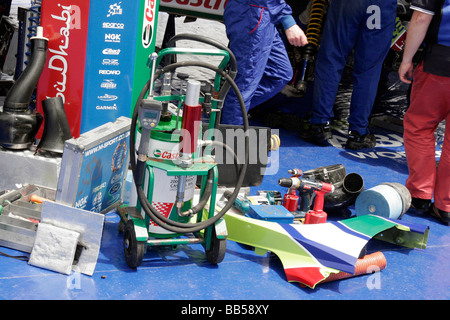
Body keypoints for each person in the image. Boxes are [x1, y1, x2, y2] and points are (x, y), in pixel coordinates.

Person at [299, 0, 397, 150]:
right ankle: (358, 133)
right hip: (382, 6)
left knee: (331, 60)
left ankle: (319, 125)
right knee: (369, 70)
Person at [398, 0, 450, 226]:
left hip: (438, 64)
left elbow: (421, 18)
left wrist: (406, 59)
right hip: (438, 62)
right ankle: (445, 205)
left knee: (419, 126)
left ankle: (419, 196)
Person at [220, 0, 308, 125]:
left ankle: (227, 112)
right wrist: (288, 21)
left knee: (280, 73)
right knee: (245, 84)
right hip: (253, 12)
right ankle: (230, 138)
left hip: (266, 14)